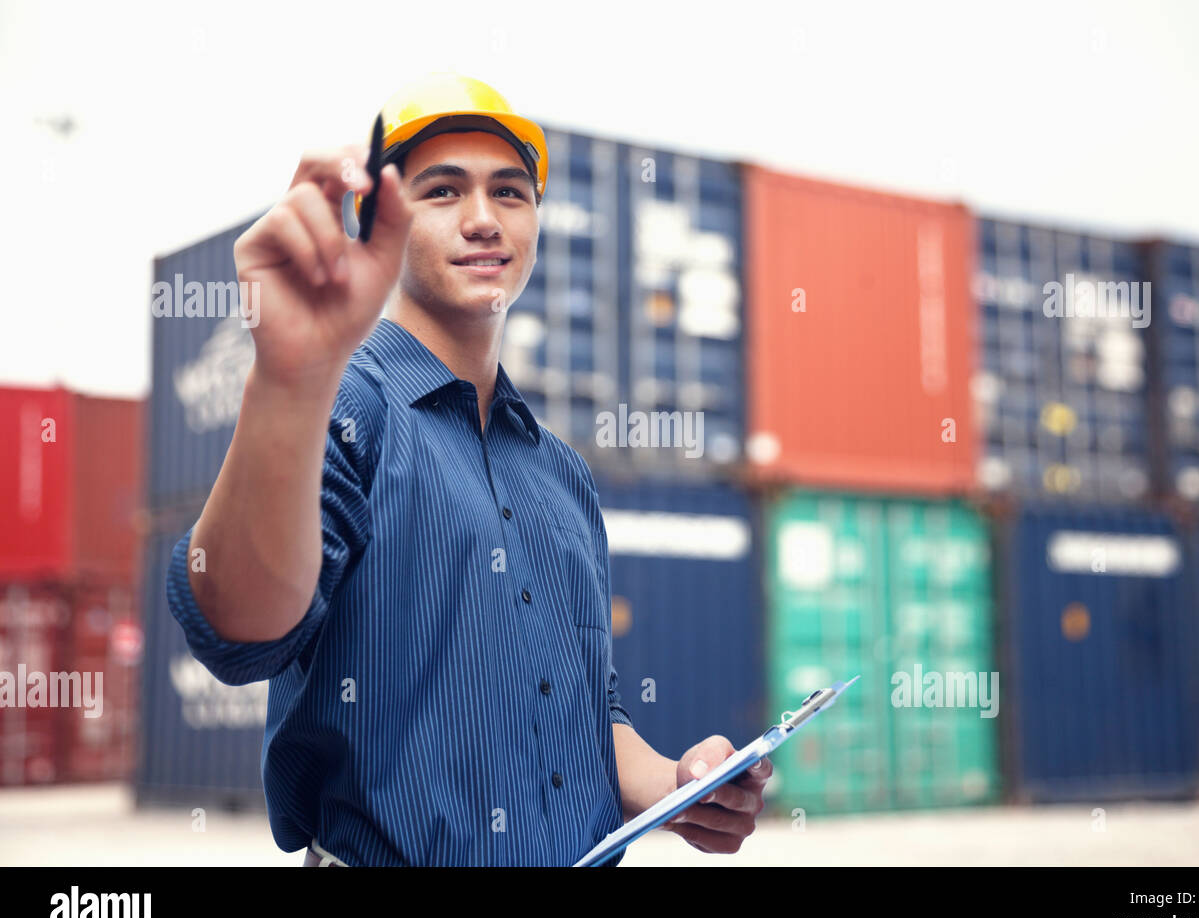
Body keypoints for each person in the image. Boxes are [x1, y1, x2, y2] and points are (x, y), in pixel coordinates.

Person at [165, 71, 770, 866]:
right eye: (443, 191)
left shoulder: (564, 478)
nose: (484, 220)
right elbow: (238, 630)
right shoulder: (344, 406)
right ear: (379, 219)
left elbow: (589, 714)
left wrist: (679, 785)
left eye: (511, 194)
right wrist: (286, 381)